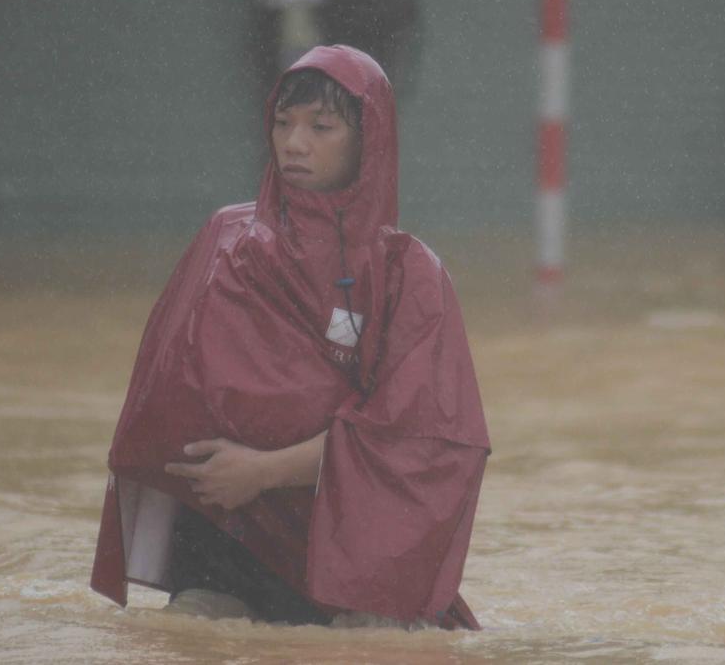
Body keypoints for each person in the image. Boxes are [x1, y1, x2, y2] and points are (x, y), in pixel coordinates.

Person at [90, 45, 490, 629]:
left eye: (321, 128)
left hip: (346, 559)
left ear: (369, 142)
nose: (294, 143)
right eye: (283, 123)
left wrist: (262, 470)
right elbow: (166, 402)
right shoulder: (226, 241)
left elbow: (417, 442)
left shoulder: (409, 275)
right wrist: (219, 470)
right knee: (188, 632)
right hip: (225, 540)